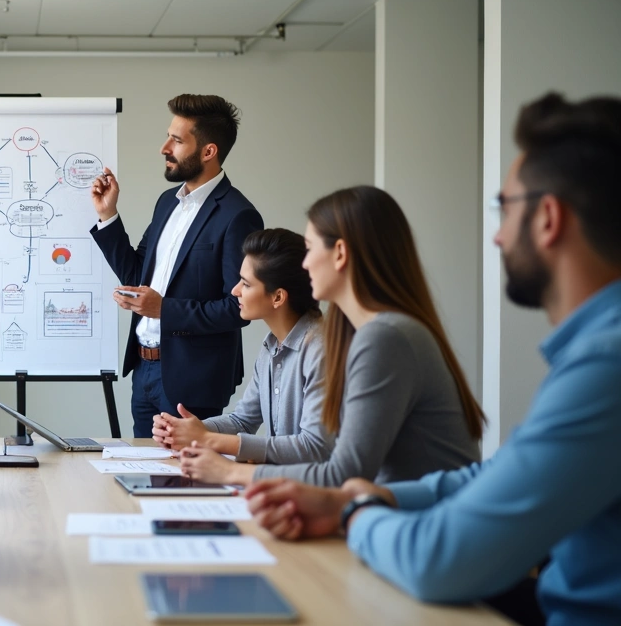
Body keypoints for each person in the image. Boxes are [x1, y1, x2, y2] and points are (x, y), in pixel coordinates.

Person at [246, 93, 621, 626]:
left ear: (548, 219)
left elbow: (436, 561)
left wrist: (356, 510)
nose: (495, 233)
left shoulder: (605, 367)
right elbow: (491, 476)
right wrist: (370, 499)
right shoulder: (592, 353)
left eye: (504, 208)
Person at [179, 186, 481, 487]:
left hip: (425, 524)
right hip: (395, 515)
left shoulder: (383, 338)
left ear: (339, 254)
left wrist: (230, 471)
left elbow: (341, 472)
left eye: (310, 249)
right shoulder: (360, 332)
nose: (305, 263)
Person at [90, 93, 264, 437]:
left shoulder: (238, 215)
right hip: (144, 372)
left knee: (182, 485)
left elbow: (238, 308)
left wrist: (164, 309)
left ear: (208, 151)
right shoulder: (167, 203)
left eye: (177, 140)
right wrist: (107, 215)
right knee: (144, 479)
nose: (164, 147)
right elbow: (137, 275)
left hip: (193, 380)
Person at [152, 228, 332, 465]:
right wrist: (186, 430)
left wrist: (208, 439)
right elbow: (243, 420)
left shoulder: (322, 349)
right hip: (280, 484)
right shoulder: (271, 345)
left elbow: (313, 447)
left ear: (278, 297)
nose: (235, 291)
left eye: (246, 284)